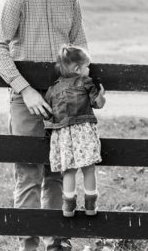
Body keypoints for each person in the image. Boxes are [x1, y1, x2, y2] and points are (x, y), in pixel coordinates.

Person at [0, 0, 88, 251]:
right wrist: (25, 89)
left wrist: (81, 81)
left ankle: (57, 250)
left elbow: (80, 45)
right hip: (26, 98)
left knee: (60, 173)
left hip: (64, 98)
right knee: (28, 175)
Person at [45, 44, 105, 218]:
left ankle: (68, 207)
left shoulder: (53, 89)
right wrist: (101, 95)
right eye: (87, 67)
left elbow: (48, 115)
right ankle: (90, 205)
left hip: (63, 134)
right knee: (88, 168)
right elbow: (98, 104)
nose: (89, 70)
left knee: (69, 170)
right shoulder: (85, 81)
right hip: (83, 131)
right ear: (78, 69)